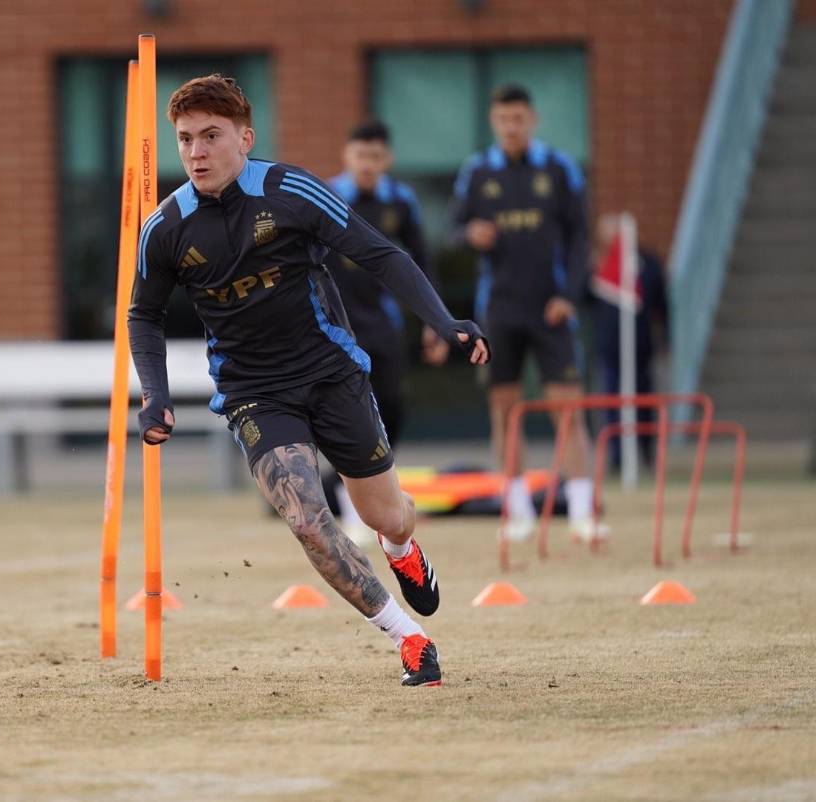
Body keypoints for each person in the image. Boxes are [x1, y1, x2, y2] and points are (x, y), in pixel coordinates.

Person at [128, 75, 489, 687]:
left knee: (387, 516)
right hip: (254, 393)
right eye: (185, 139)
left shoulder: (290, 191)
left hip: (331, 374)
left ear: (245, 138)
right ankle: (410, 638)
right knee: (307, 519)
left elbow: (381, 254)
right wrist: (156, 396)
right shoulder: (165, 229)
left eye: (211, 136)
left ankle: (402, 549)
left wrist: (442, 318)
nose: (196, 152)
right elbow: (144, 314)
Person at [449, 84, 597, 542]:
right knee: (504, 411)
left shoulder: (558, 169)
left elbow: (580, 239)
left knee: (568, 409)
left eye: (519, 119)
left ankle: (583, 513)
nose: (512, 128)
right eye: (503, 120)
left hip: (551, 308)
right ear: (494, 122)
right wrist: (470, 233)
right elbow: (452, 231)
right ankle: (515, 512)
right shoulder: (477, 172)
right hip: (500, 310)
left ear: (532, 120)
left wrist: (569, 295)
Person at [324, 120, 449, 538]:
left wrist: (436, 321)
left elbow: (421, 263)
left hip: (384, 324)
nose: (367, 164)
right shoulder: (326, 196)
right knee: (346, 413)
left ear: (387, 160)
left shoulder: (402, 201)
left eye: (376, 157)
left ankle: (374, 496)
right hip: (336, 327)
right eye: (361, 156)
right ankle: (351, 507)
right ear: (348, 156)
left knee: (391, 407)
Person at [589, 213, 669, 467]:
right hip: (609, 345)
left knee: (643, 399)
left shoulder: (647, 262)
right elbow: (582, 295)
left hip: (641, 346)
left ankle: (644, 450)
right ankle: (617, 455)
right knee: (612, 399)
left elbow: (663, 305)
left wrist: (666, 339)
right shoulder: (597, 264)